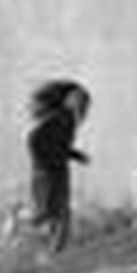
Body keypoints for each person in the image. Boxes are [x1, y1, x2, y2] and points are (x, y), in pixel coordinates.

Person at [26, 79, 91, 253]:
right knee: (50, 215)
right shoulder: (62, 116)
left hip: (53, 169)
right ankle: (48, 249)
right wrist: (45, 162)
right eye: (83, 106)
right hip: (49, 171)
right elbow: (35, 139)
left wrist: (74, 155)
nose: (85, 113)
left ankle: (53, 253)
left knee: (58, 215)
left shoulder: (64, 118)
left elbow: (57, 143)